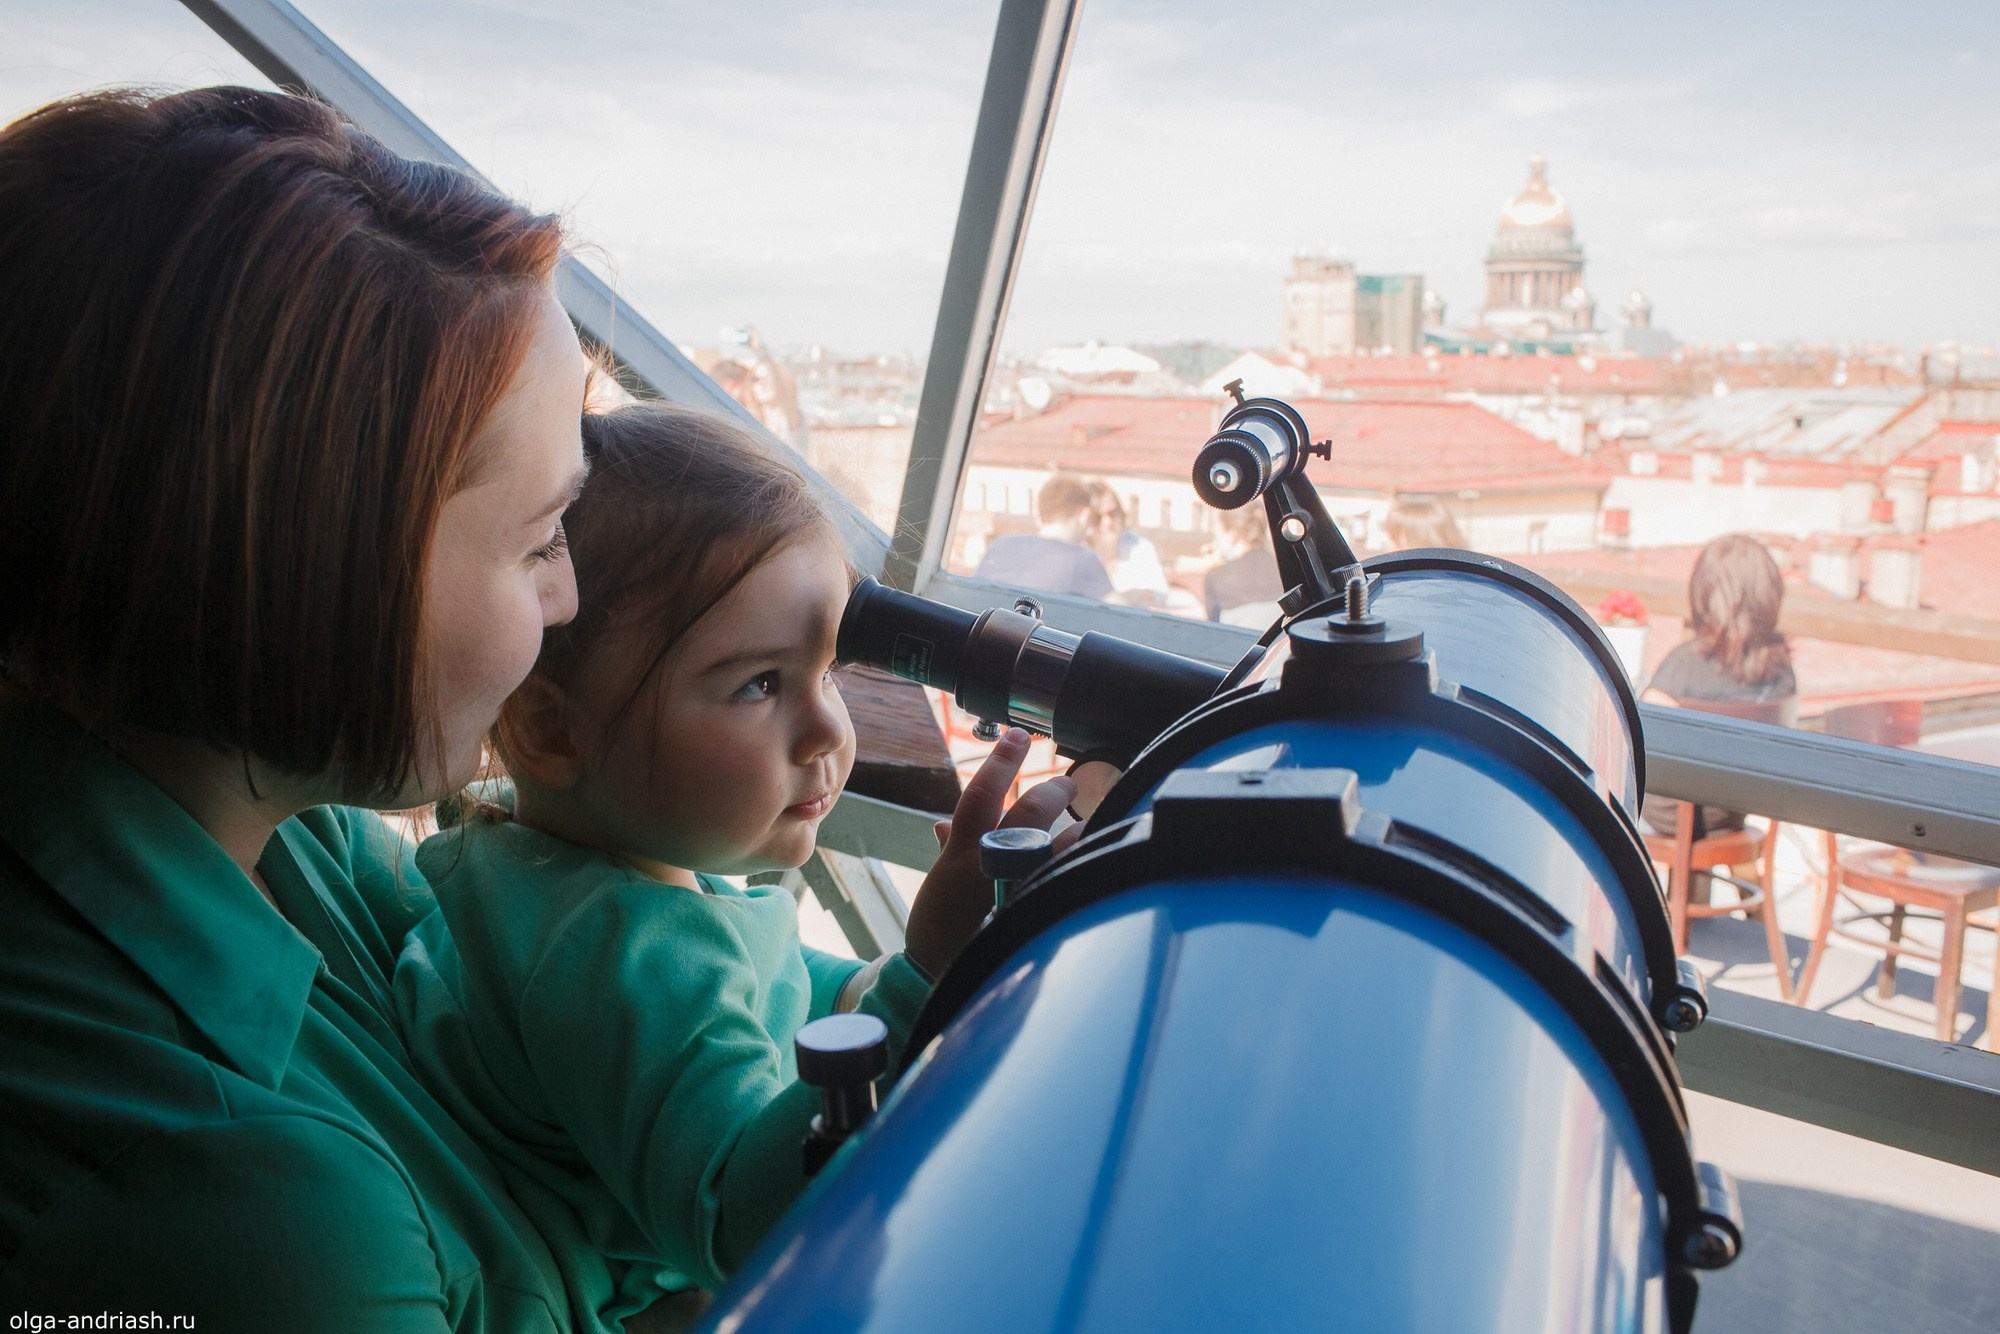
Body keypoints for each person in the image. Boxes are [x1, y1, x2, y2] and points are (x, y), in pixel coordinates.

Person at [392, 403, 1073, 1326]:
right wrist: (928, 978)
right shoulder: (614, 955)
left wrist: (872, 985)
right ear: (554, 728)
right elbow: (741, 1217)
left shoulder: (587, 862)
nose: (832, 728)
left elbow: (767, 981)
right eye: (760, 683)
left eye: (828, 669)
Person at [1640, 533, 1798, 839]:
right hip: (1733, 814)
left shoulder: (1686, 663)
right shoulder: (1782, 673)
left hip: (1668, 821)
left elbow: (1642, 738)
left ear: (1703, 593)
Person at [973, 473, 1113, 600]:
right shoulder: (1082, 558)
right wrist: (1134, 596)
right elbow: (1117, 609)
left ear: (1039, 516)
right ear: (1084, 515)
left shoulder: (1001, 544)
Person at [1085, 480, 1170, 607]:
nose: (1107, 522)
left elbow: (1158, 596)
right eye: (1098, 517)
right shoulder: (1079, 552)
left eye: (1112, 513)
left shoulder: (1140, 548)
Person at [1204, 504, 1284, 628]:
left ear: (1232, 534)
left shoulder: (1216, 577)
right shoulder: (1286, 572)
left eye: (1218, 532)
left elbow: (1214, 632)